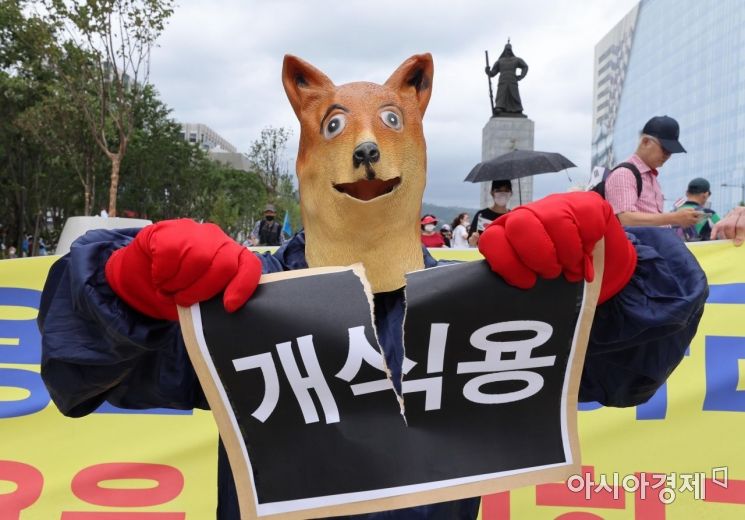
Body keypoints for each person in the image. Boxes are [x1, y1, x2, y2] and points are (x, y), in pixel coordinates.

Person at [604, 116, 702, 229]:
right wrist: (674, 218)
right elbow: (624, 218)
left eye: (671, 152)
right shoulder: (624, 174)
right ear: (645, 141)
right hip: (639, 245)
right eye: (665, 149)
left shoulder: (651, 178)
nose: (667, 156)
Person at [485, 41, 528, 116]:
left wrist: (521, 76)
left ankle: (517, 109)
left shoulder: (516, 59)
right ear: (504, 50)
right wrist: (487, 71)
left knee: (514, 94)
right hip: (503, 80)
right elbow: (492, 73)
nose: (508, 51)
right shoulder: (500, 61)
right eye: (507, 50)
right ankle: (500, 107)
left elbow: (525, 66)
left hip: (512, 79)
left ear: (511, 50)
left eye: (509, 50)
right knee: (502, 94)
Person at [468, 180, 512, 247]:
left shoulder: (513, 216)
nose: (502, 193)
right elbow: (471, 241)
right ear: (492, 193)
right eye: (498, 190)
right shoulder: (481, 215)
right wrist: (472, 240)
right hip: (484, 256)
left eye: (506, 190)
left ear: (510, 193)